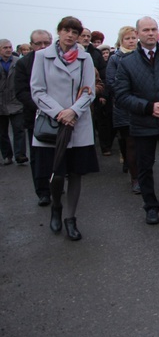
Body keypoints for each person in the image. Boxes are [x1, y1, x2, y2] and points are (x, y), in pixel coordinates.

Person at [31, 16, 98, 241]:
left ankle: (71, 218)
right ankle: (56, 207)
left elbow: (90, 90)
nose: (70, 35)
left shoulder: (85, 58)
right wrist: (60, 112)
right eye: (66, 30)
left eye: (74, 32)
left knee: (76, 173)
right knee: (56, 174)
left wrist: (74, 111)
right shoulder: (42, 57)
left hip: (78, 123)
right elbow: (37, 90)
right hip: (53, 124)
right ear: (59, 32)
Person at [115, 16, 159, 225]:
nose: (151, 33)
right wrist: (148, 107)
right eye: (146, 30)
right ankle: (151, 206)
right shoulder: (127, 63)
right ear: (137, 34)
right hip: (142, 123)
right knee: (145, 166)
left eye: (154, 29)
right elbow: (121, 95)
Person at [14, 29, 53, 205]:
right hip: (36, 116)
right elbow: (21, 91)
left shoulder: (57, 60)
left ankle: (56, 183)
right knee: (38, 157)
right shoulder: (24, 64)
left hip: (59, 114)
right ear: (31, 45)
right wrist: (42, 107)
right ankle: (42, 191)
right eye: (38, 43)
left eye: (46, 43)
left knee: (57, 154)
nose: (43, 46)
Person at [106, 26, 140, 193]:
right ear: (121, 41)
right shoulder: (115, 59)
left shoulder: (143, 56)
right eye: (127, 38)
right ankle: (135, 178)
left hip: (143, 106)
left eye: (133, 38)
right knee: (130, 142)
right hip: (124, 107)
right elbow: (112, 83)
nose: (131, 41)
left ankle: (141, 172)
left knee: (142, 144)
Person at [1, 39, 27, 166]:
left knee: (19, 130)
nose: (8, 49)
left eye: (10, 47)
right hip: (0, 103)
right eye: (5, 47)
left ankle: (20, 155)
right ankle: (7, 155)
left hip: (16, 101)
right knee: (2, 132)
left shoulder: (18, 62)